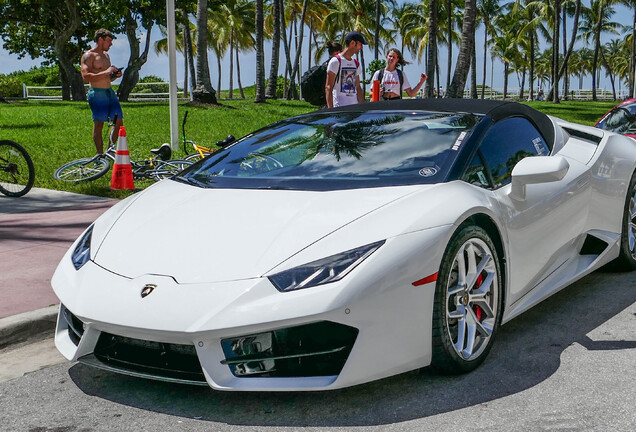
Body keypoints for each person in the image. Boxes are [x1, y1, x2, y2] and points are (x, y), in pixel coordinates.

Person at [81, 28, 124, 154]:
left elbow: (107, 78)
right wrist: (106, 72)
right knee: (99, 125)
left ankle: (109, 151)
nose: (111, 44)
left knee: (119, 123)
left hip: (109, 92)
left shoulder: (106, 56)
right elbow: (86, 77)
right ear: (100, 39)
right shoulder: (88, 55)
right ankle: (100, 155)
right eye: (109, 41)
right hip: (97, 93)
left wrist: (114, 76)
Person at [325, 31, 366, 108]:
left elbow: (358, 87)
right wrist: (330, 110)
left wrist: (362, 106)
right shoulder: (335, 61)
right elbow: (328, 87)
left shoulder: (355, 62)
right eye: (360, 44)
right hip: (339, 107)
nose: (361, 47)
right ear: (353, 43)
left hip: (354, 108)